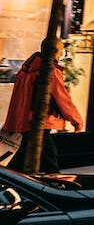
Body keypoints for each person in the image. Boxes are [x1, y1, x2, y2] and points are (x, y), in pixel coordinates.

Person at [3, 37, 84, 173]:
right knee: (50, 160)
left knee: (23, 158)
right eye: (60, 50)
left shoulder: (26, 70)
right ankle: (55, 187)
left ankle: (8, 180)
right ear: (56, 52)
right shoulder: (48, 70)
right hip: (40, 121)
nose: (62, 53)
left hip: (25, 121)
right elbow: (62, 98)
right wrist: (77, 121)